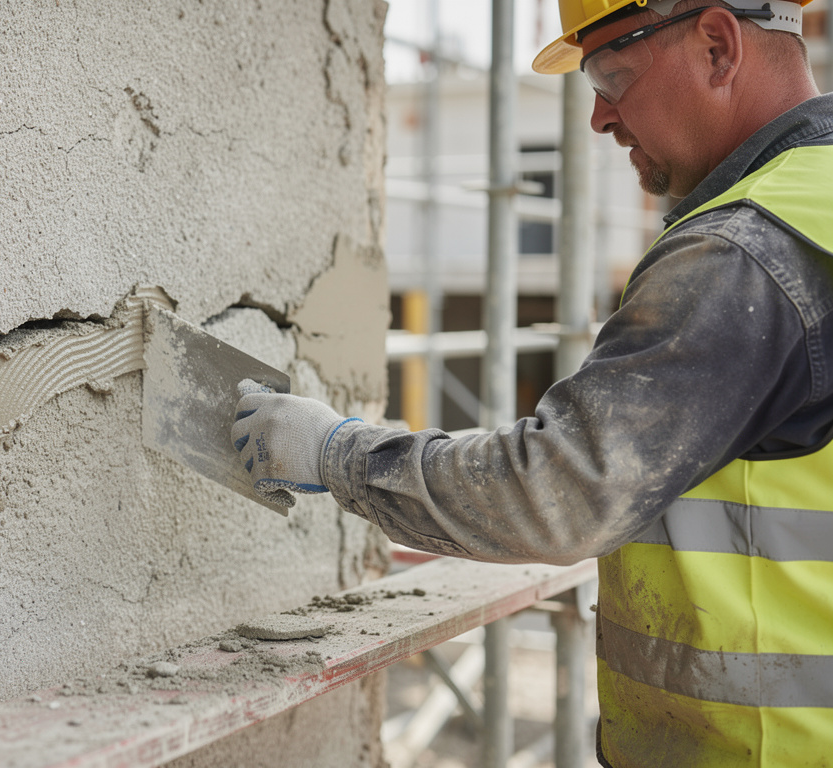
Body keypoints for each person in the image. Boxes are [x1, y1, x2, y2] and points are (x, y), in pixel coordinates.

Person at [230, 0, 833, 764]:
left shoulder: (746, 254)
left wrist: (335, 452)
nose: (598, 119)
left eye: (612, 73)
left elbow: (560, 494)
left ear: (717, 45)